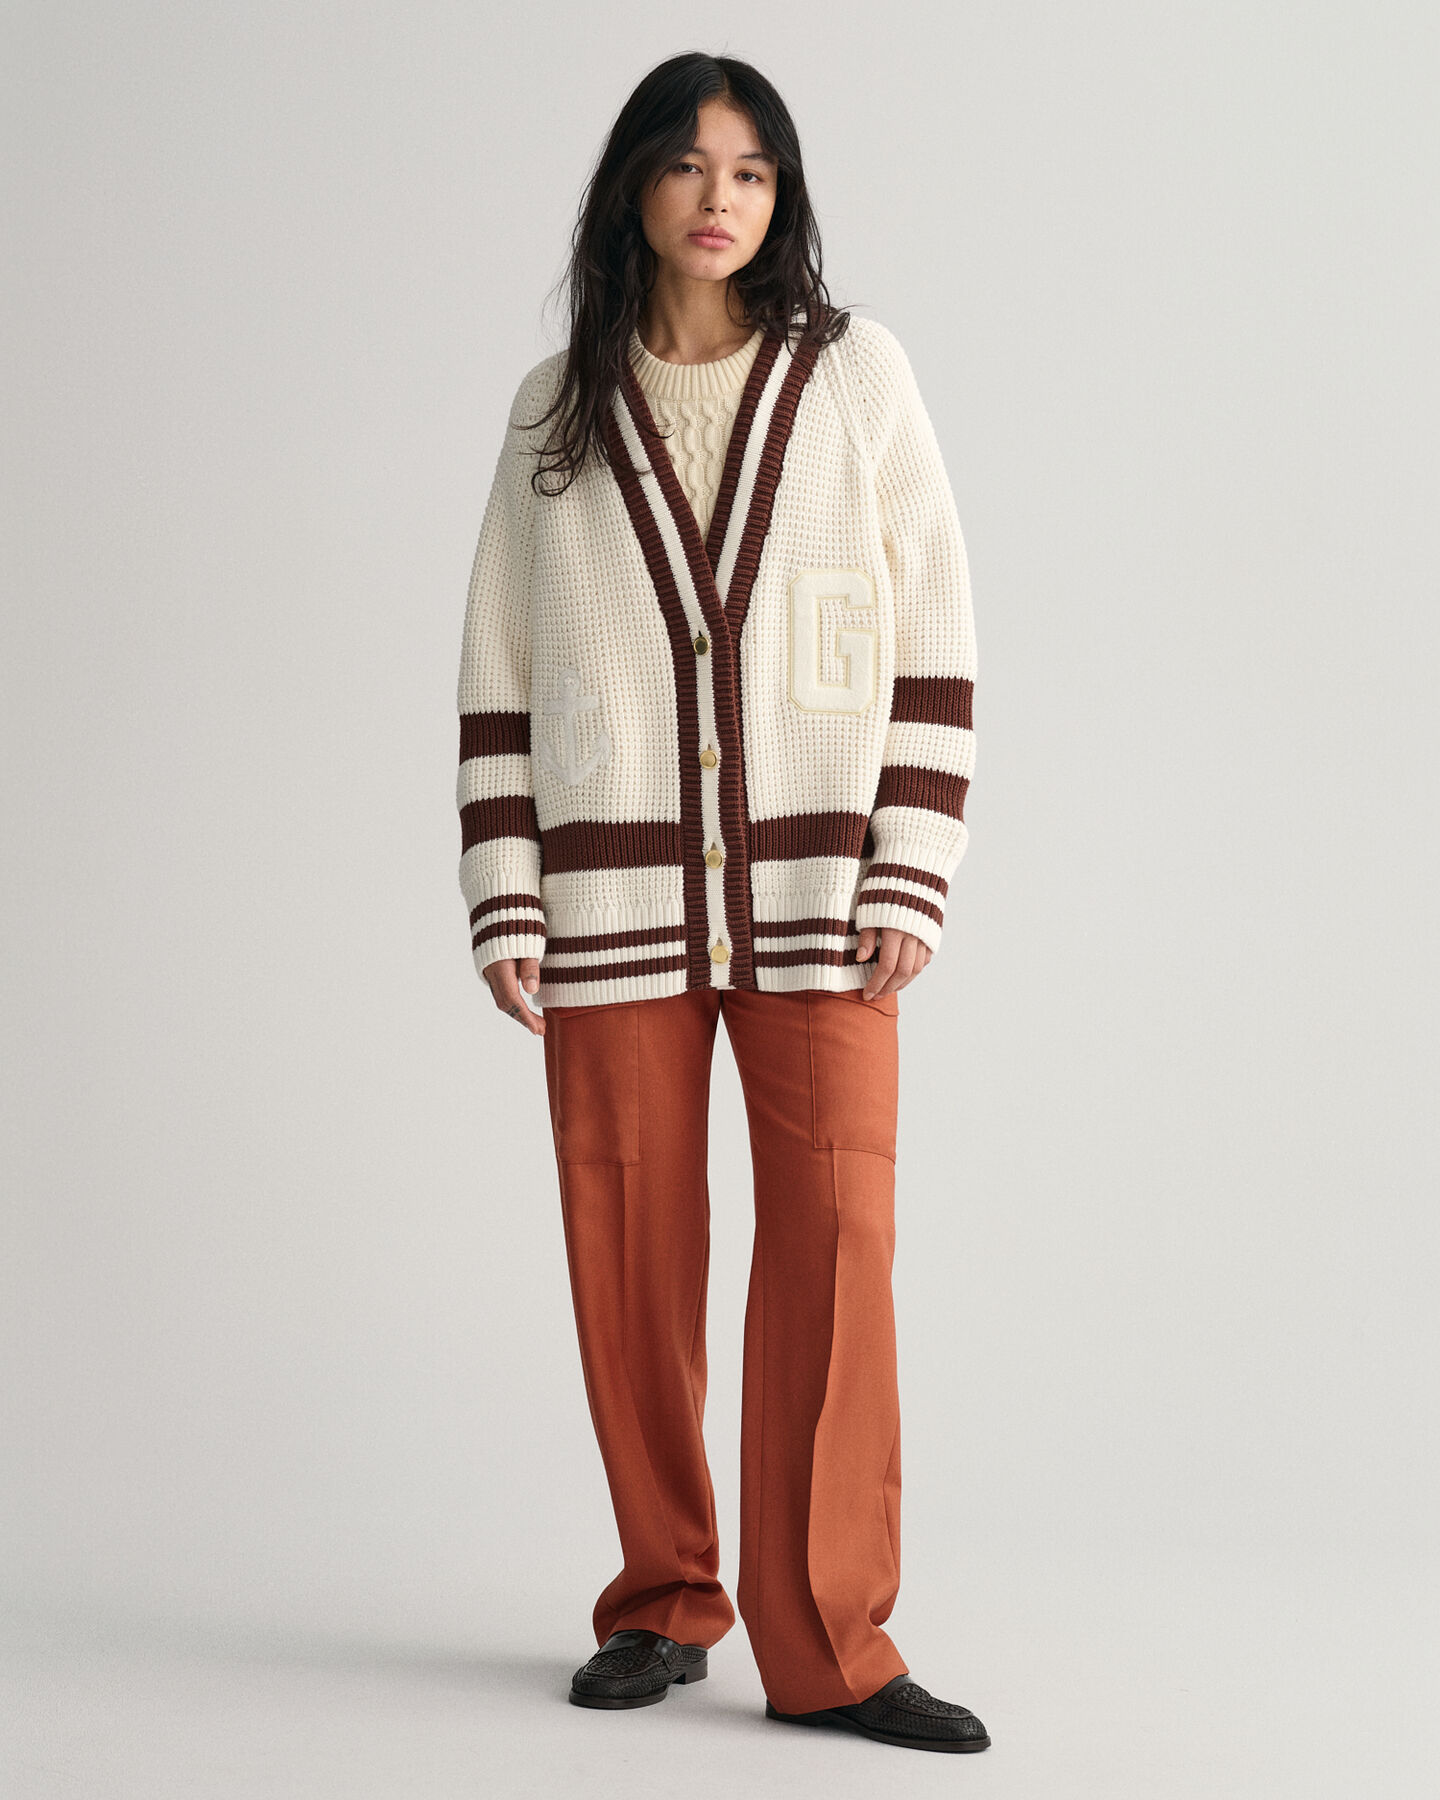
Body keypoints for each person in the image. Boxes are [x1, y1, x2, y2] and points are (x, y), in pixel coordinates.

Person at [453, 51, 987, 1756]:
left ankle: (831, 1643)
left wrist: (912, 861)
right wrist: (505, 888)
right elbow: (500, 659)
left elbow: (935, 623)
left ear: (782, 198)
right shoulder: (556, 409)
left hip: (825, 888)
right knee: (629, 1244)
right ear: (635, 185)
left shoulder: (855, 377)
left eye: (752, 171)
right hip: (607, 892)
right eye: (689, 165)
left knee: (836, 1236)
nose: (720, 197)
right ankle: (664, 1599)